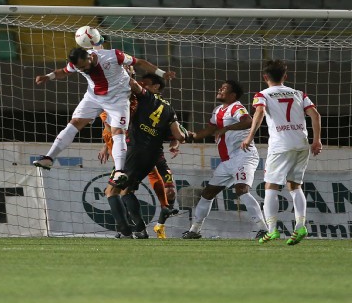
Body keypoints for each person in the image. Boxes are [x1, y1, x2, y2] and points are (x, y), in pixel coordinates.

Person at [33, 47, 175, 188]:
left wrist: (162, 74)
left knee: (118, 132)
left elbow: (139, 62)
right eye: (79, 68)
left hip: (118, 99)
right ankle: (49, 158)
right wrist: (48, 76)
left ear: (90, 58)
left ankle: (119, 171)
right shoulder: (78, 65)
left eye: (83, 66)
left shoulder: (112, 56)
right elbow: (63, 72)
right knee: (74, 123)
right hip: (94, 98)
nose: (81, 70)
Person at [240, 60, 322, 246]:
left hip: (280, 146)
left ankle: (271, 230)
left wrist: (250, 137)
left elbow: (259, 113)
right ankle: (300, 226)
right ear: (285, 76)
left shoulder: (262, 94)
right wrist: (316, 140)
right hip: (302, 144)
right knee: (295, 186)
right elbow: (315, 115)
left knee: (271, 187)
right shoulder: (299, 94)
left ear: (265, 77)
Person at [182, 80, 268, 239]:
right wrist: (192, 136)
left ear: (233, 95)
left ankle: (263, 228)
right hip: (227, 161)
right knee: (208, 193)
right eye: (221, 87)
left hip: (243, 155)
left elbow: (248, 121)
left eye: (225, 88)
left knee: (241, 190)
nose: (220, 89)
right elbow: (210, 129)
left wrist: (227, 128)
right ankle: (195, 230)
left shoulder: (236, 107)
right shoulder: (217, 110)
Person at [107, 74, 188, 238]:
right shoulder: (170, 109)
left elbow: (132, 84)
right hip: (152, 156)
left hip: (134, 150)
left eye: (146, 83)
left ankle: (126, 231)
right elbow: (179, 136)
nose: (142, 85)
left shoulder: (146, 97)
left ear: (156, 86)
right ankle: (140, 230)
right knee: (127, 191)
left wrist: (121, 70)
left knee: (111, 191)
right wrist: (181, 139)